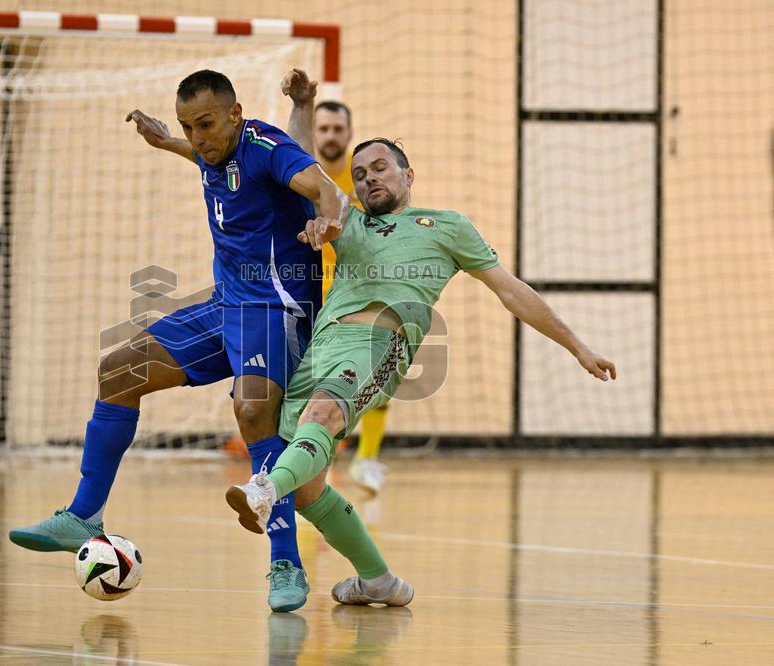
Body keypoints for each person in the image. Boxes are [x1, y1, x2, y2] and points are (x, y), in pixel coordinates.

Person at [226, 108, 617, 605]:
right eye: (361, 173)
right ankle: (379, 581)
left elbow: (511, 290)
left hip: (379, 345)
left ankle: (261, 490)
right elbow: (301, 170)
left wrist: (578, 346)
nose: (370, 179)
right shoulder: (345, 219)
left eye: (381, 168)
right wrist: (303, 106)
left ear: (408, 174)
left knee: (318, 420)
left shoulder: (447, 227)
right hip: (321, 348)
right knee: (306, 489)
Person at [9, 70, 349, 613]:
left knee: (253, 409)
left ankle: (285, 561)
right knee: (120, 369)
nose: (199, 138)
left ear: (236, 114)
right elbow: (202, 157)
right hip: (225, 305)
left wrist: (327, 222)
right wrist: (165, 139)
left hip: (277, 308)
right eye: (191, 127)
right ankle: (83, 516)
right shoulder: (211, 150)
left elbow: (324, 189)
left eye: (207, 125)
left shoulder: (266, 148)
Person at [308, 88, 391, 495]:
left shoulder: (366, 182)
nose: (330, 135)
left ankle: (367, 459)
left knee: (379, 374)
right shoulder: (303, 176)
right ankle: (310, 464)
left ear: (350, 132)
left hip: (359, 296)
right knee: (311, 389)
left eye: (338, 128)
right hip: (307, 296)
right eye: (323, 128)